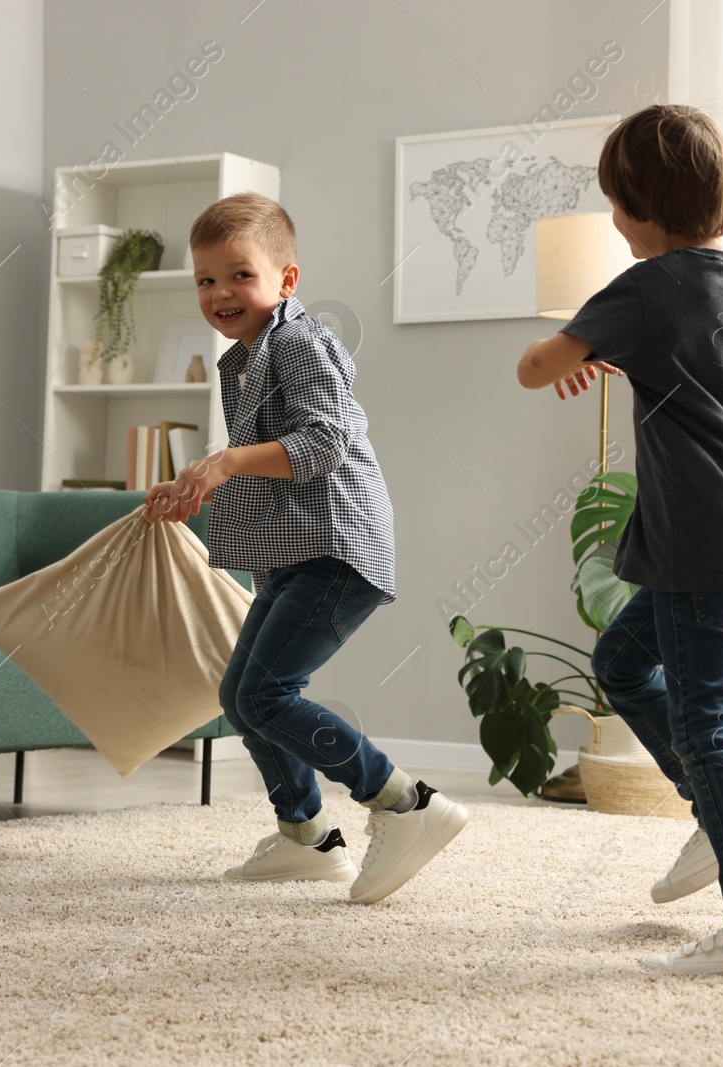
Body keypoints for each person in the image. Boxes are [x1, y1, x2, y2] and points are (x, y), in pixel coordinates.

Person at [516, 105, 723, 973]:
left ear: (645, 211)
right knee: (622, 665)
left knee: (704, 723)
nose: (617, 225)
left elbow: (534, 366)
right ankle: (711, 816)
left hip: (698, 534)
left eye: (618, 208)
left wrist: (585, 349)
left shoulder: (648, 287)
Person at [145, 192, 467, 904]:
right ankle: (308, 838)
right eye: (205, 279)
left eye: (240, 275)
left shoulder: (300, 340)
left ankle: (405, 802)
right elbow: (268, 458)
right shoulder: (244, 359)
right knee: (242, 695)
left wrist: (224, 462)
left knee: (264, 693)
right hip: (295, 552)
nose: (221, 293)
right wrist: (195, 483)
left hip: (337, 550)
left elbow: (322, 445)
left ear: (287, 281)